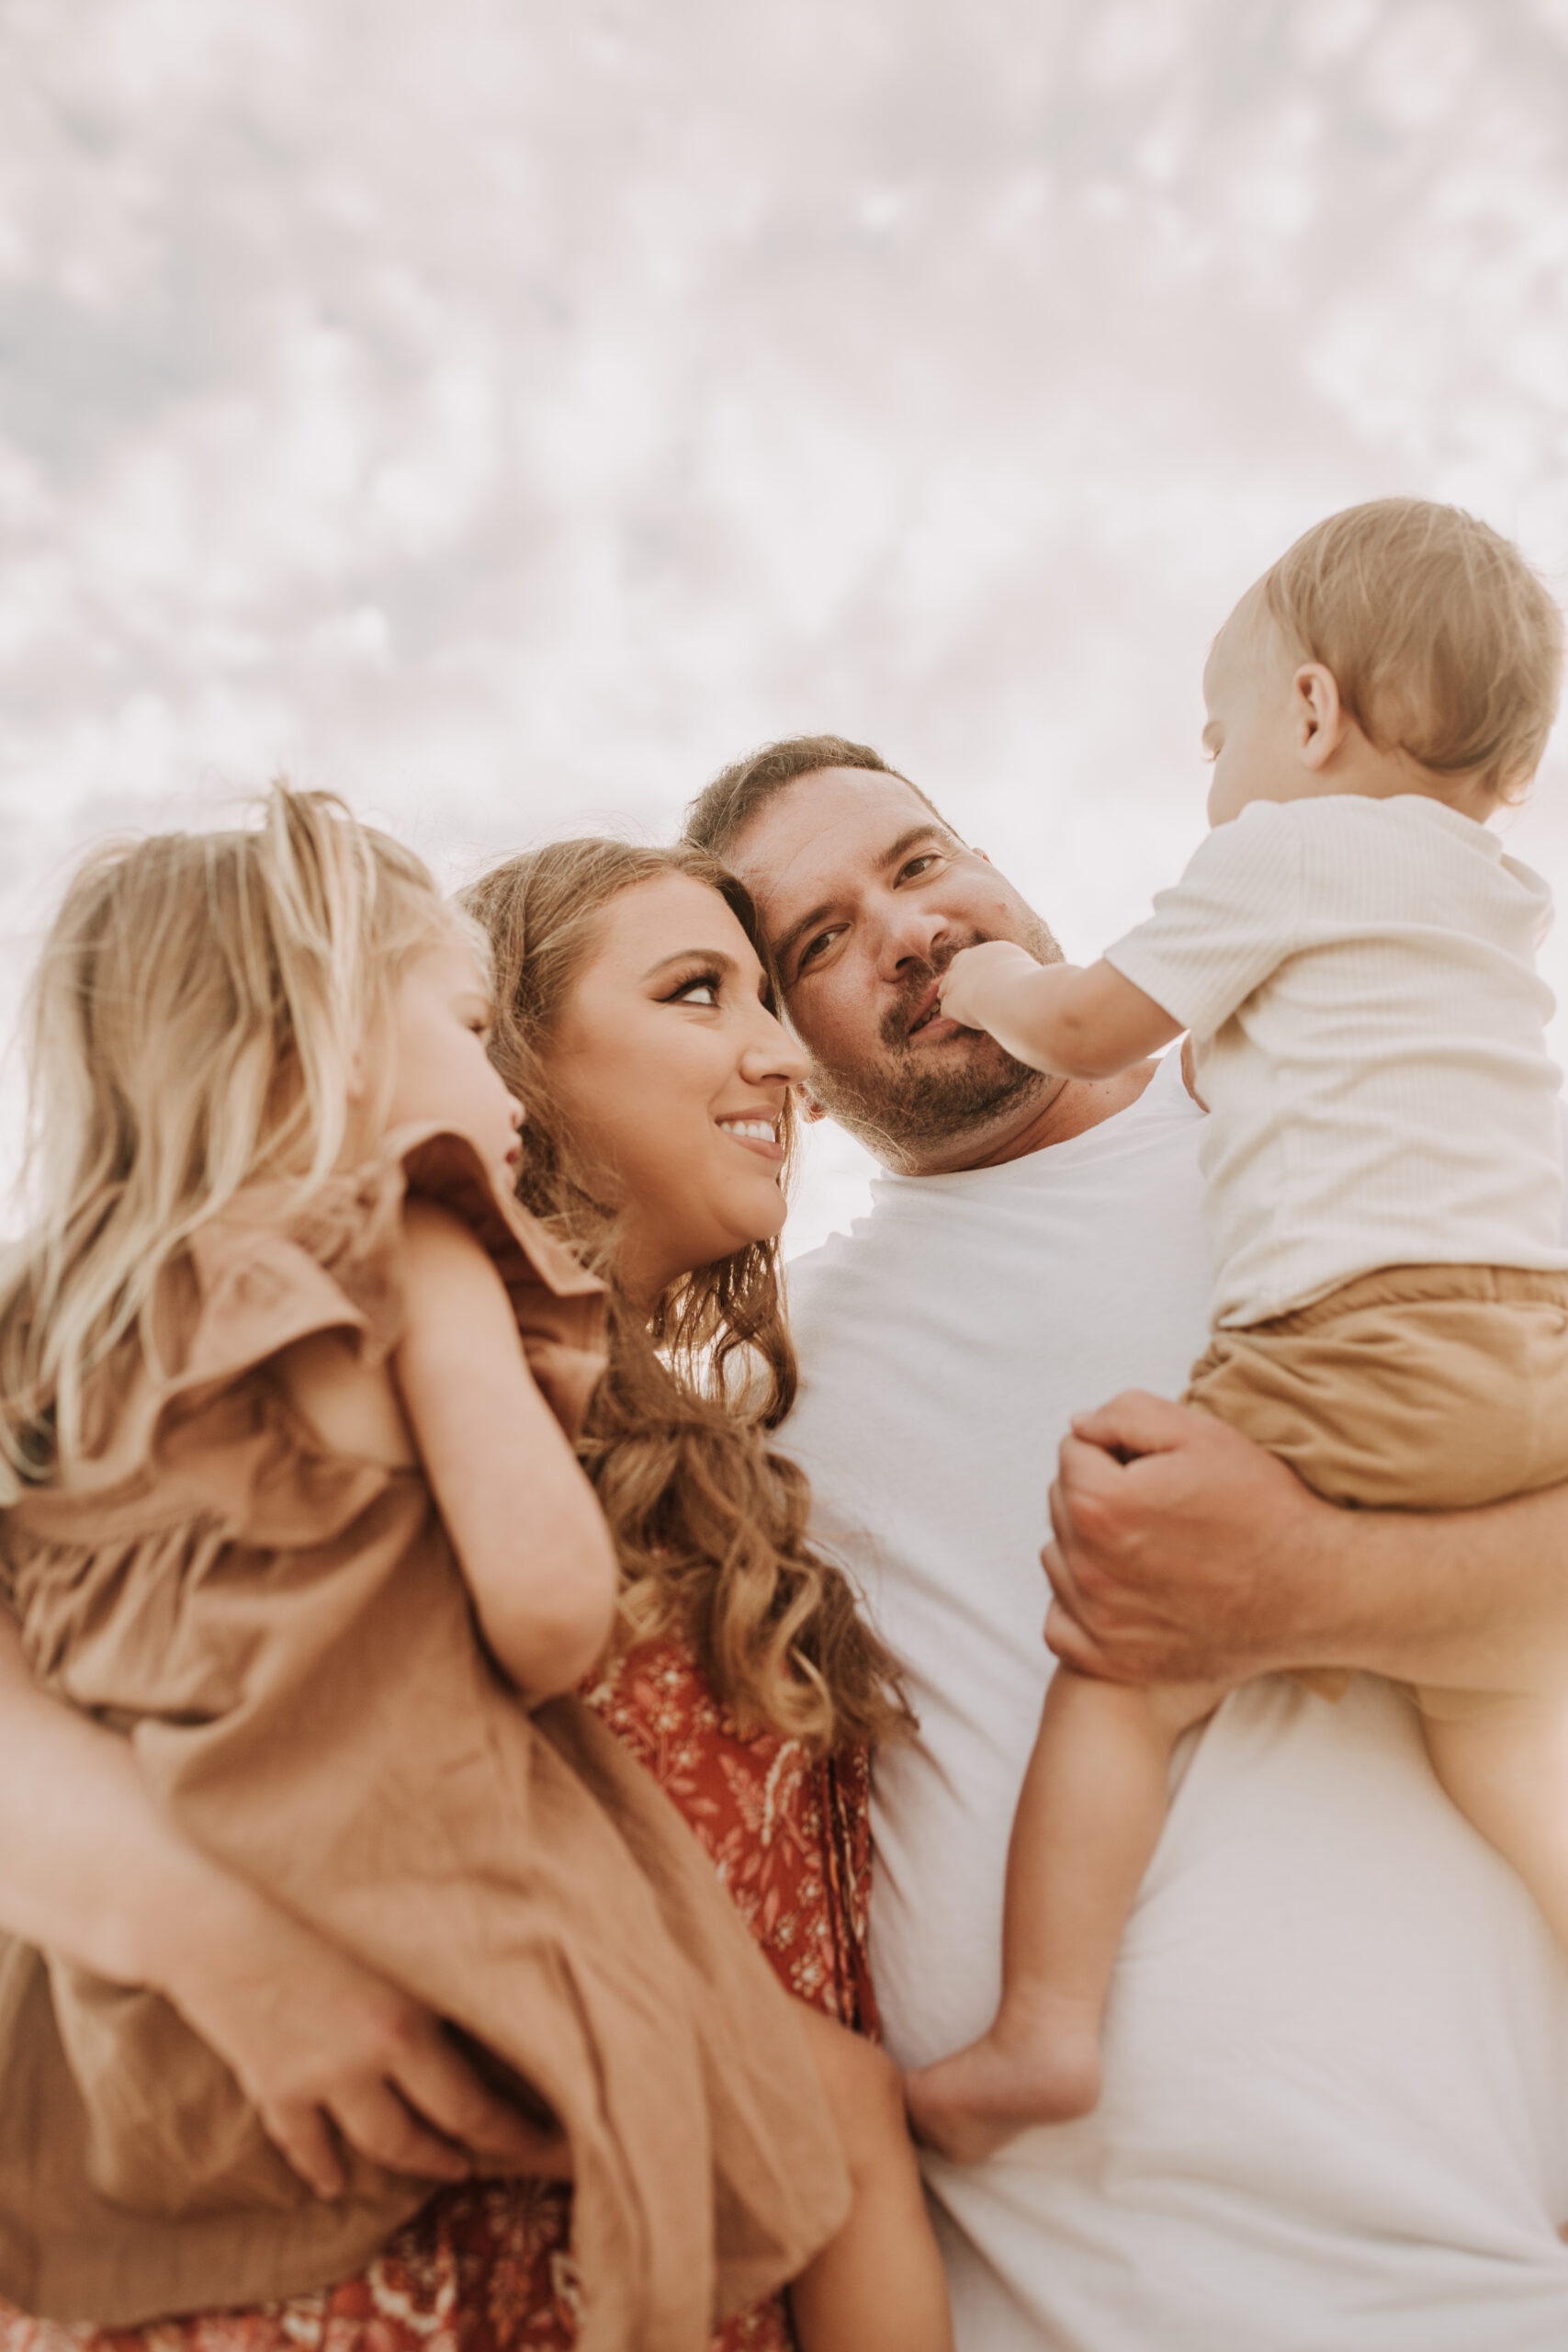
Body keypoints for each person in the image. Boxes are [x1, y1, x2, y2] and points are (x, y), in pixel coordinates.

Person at [0, 820, 949, 2352]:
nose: (784, 1059)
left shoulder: (763, 1433)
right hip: (345, 2239)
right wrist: (196, 1929)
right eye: (700, 993)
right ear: (516, 1049)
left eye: (771, 999)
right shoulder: (374, 1321)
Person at [687, 729, 1568, 2352]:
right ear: (789, 1043)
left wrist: (1315, 1586)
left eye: (921, 860)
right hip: (1054, 2308)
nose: (905, 930)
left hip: (1484, 2281)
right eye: (815, 942)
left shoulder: (1343, 1131)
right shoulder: (770, 1381)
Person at [903, 497, 1568, 2159]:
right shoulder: (1489, 898)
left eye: (1220, 735)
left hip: (1358, 1333)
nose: (1211, 779)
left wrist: (983, 984)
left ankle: (1046, 2030)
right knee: (1505, 1728)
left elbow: (1076, 1021)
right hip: (1533, 1347)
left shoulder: (1275, 853)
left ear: (1313, 715)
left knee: (1129, 1653)